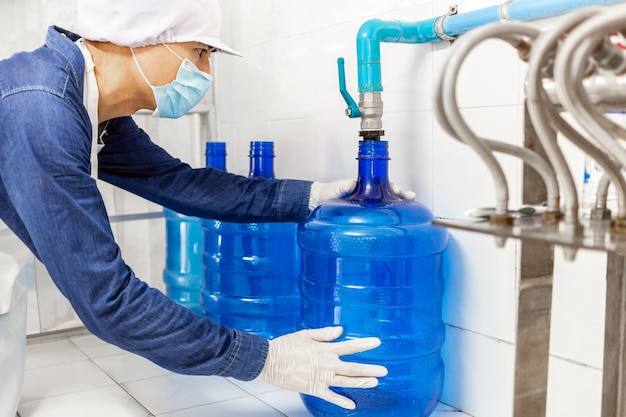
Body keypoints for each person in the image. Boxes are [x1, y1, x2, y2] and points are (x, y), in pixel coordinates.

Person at [0, 1, 421, 416]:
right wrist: (264, 359)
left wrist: (312, 196)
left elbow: (179, 182)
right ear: (140, 39)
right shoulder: (42, 110)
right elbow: (107, 300)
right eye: (199, 52)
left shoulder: (87, 106)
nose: (204, 73)